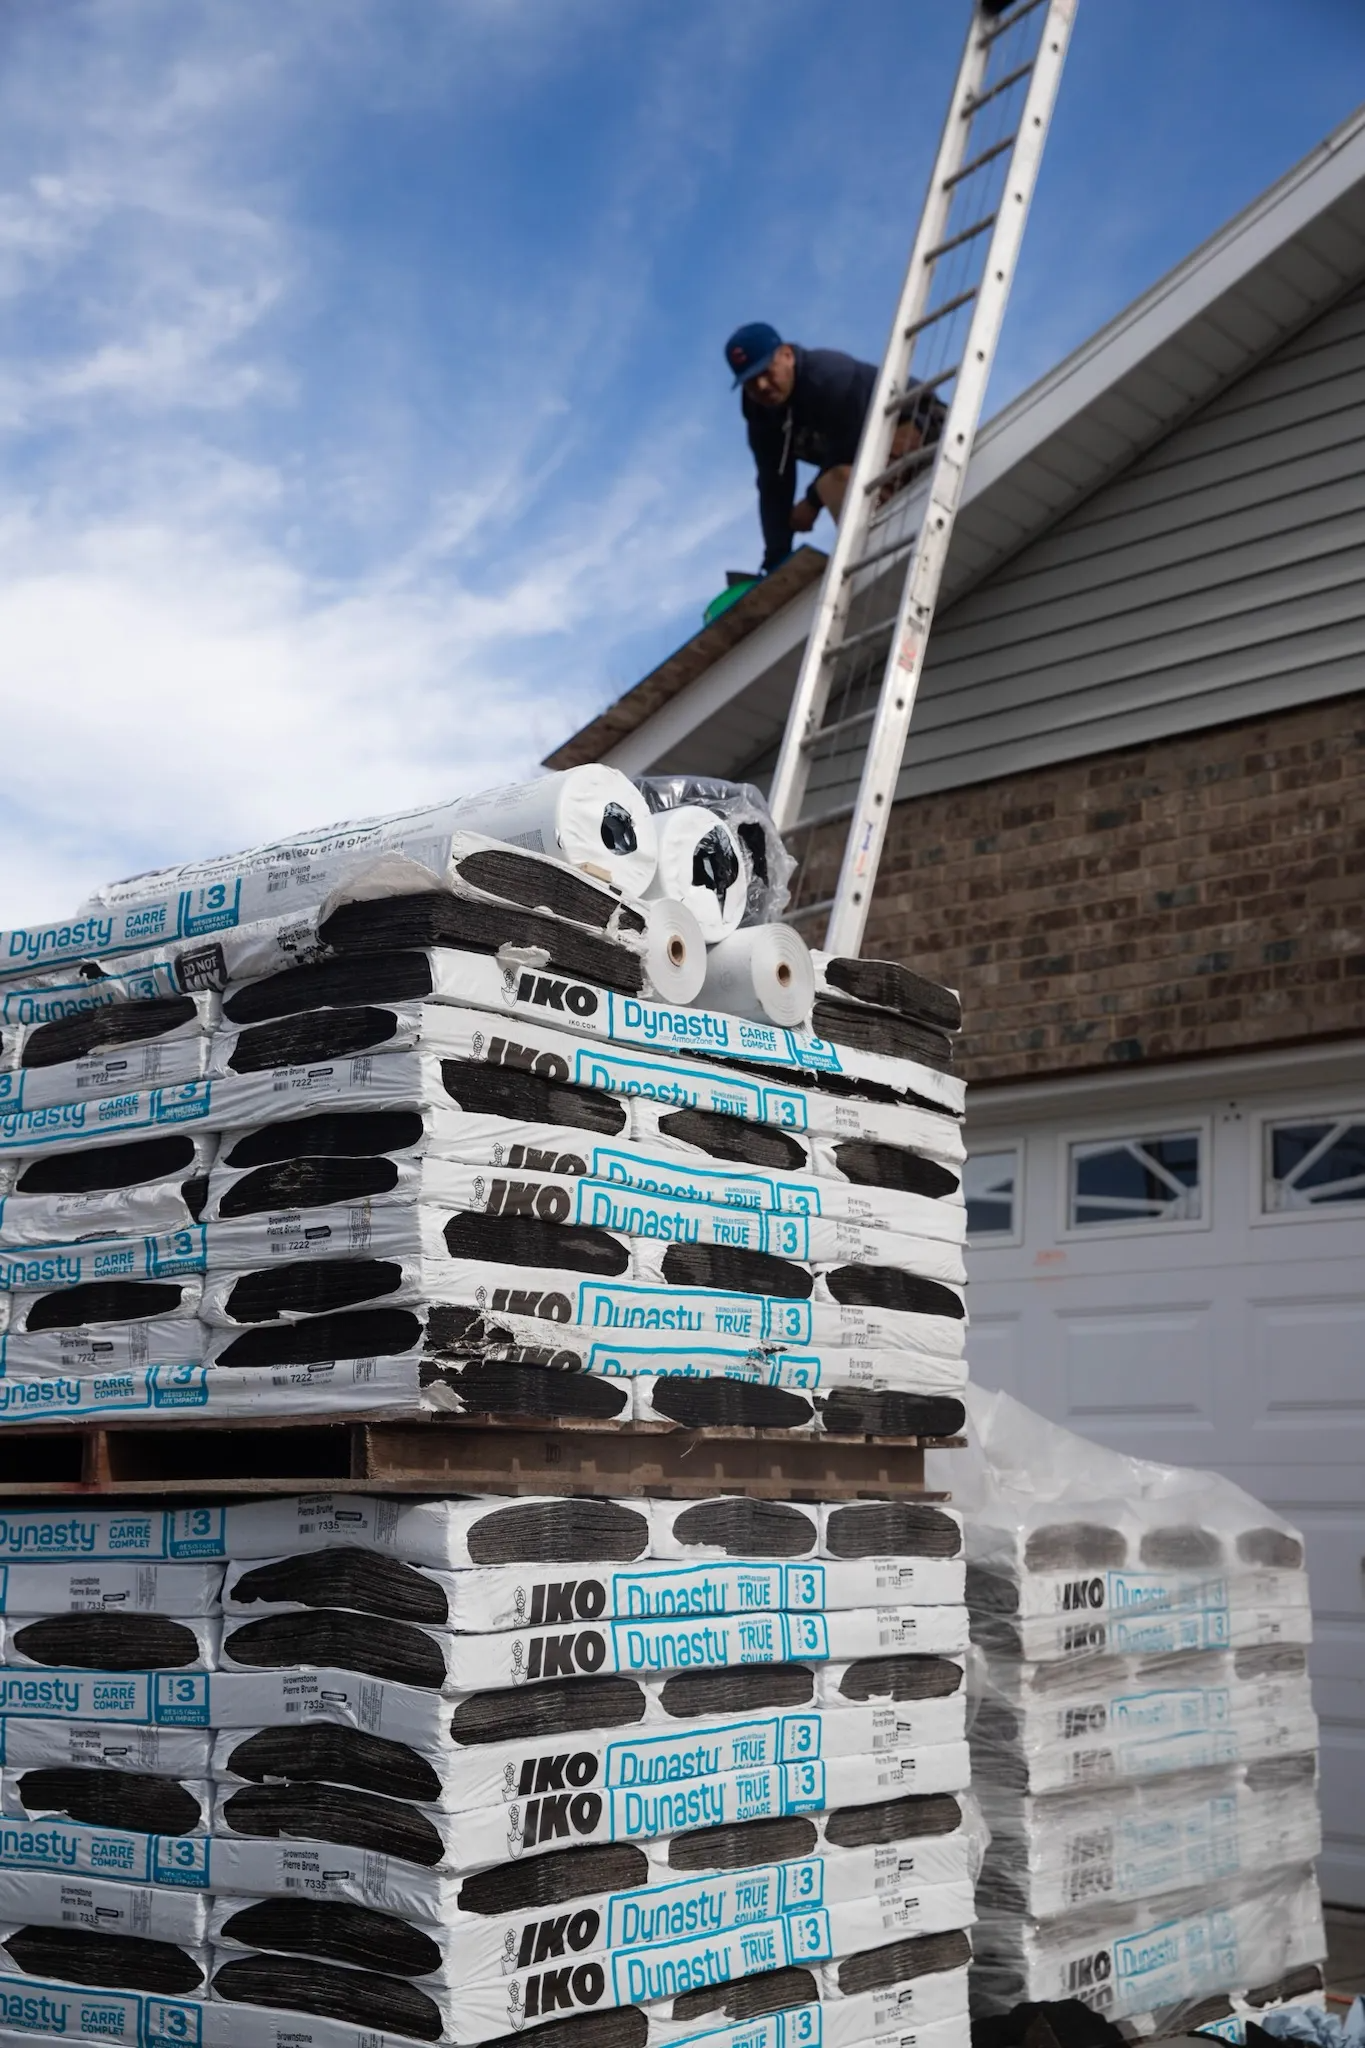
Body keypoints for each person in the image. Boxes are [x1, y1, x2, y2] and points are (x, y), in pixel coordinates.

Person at [725, 321, 941, 574]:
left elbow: (855, 440)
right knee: (835, 481)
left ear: (786, 355)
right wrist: (776, 556)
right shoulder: (762, 416)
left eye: (766, 372)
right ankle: (878, 555)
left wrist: (812, 502)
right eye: (750, 382)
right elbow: (773, 484)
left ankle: (889, 567)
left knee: (835, 482)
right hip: (862, 454)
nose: (761, 386)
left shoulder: (827, 374)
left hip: (918, 423)